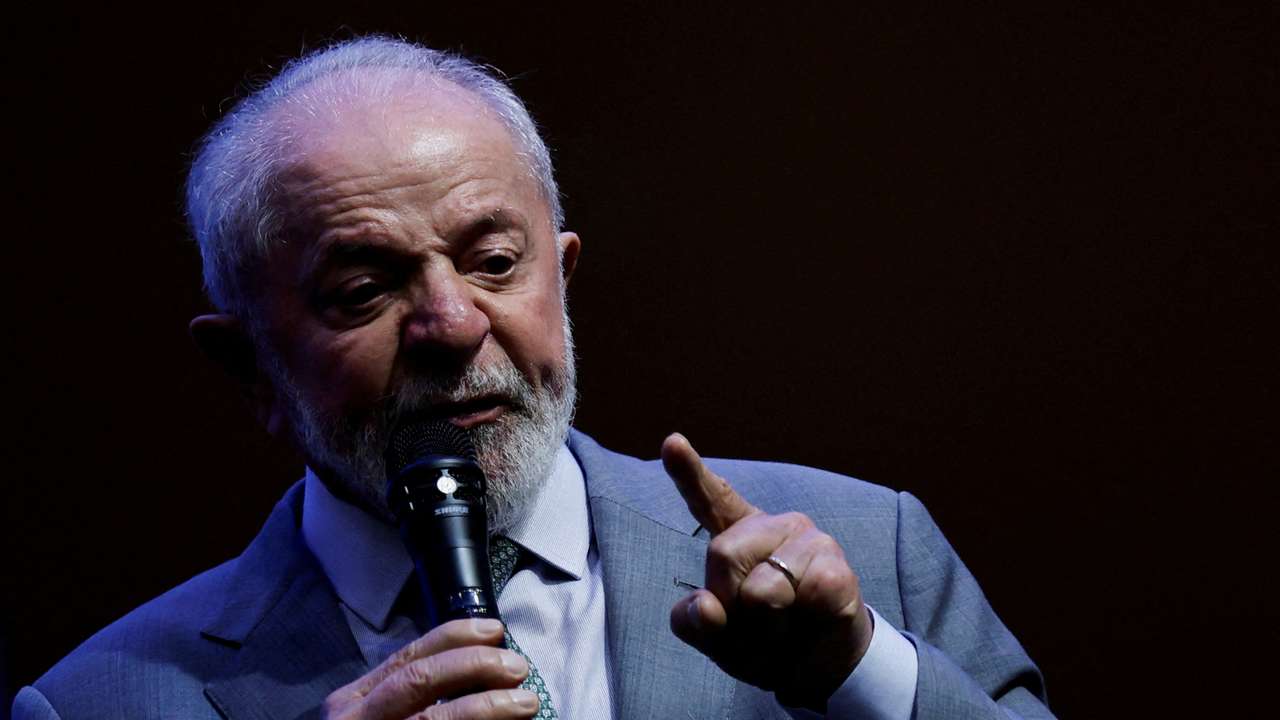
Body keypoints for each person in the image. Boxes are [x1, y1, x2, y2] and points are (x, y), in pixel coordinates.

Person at [12, 37, 1053, 719]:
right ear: (246, 365)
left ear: (564, 275)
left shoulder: (875, 554)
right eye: (365, 287)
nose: (453, 324)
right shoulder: (100, 702)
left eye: (495, 262)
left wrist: (855, 671)